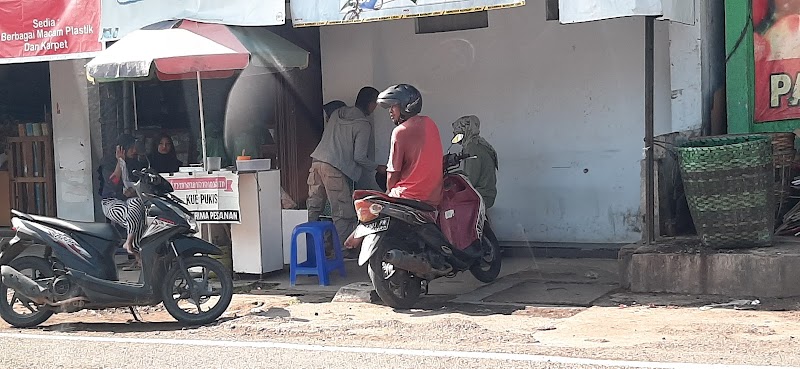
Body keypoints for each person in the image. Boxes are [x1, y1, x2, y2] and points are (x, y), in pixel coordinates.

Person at [307, 87, 387, 248]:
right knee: (342, 212)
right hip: (334, 169)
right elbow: (359, 157)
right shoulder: (363, 124)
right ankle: (343, 250)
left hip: (316, 162)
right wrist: (377, 167)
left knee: (313, 208)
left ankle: (306, 248)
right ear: (371, 104)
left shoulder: (338, 113)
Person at [377, 84, 443, 206]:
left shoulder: (400, 131)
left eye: (393, 106)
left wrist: (388, 192)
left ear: (405, 107)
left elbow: (393, 173)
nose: (390, 111)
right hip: (434, 198)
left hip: (407, 197)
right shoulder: (430, 123)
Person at [99, 134, 147, 267]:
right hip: (112, 202)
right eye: (131, 148)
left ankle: (130, 241)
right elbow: (113, 182)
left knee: (138, 209)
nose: (134, 151)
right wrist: (120, 162)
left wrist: (133, 192)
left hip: (130, 201)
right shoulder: (108, 163)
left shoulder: (134, 163)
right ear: (122, 149)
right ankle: (137, 254)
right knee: (134, 218)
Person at [452, 115, 499, 208]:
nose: (455, 136)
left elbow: (470, 180)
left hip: (481, 194)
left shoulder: (472, 148)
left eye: (458, 132)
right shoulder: (480, 144)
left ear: (466, 130)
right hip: (487, 193)